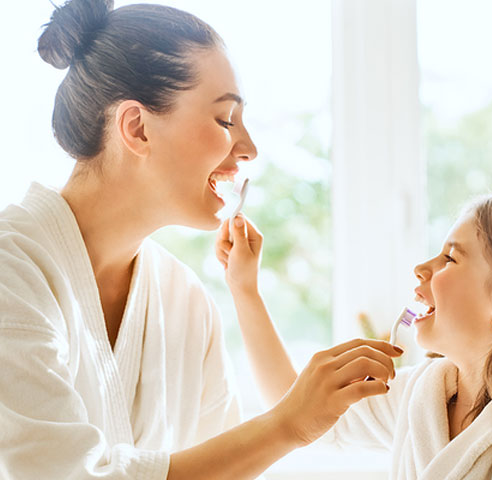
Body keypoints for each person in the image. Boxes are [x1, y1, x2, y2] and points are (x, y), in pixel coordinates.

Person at [0, 1, 403, 479]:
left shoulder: (185, 300)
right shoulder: (14, 270)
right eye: (225, 119)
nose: (248, 149)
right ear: (136, 128)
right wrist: (288, 424)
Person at [217, 194, 492, 478]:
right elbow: (300, 413)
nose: (422, 267)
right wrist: (244, 291)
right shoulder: (424, 394)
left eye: (450, 258)